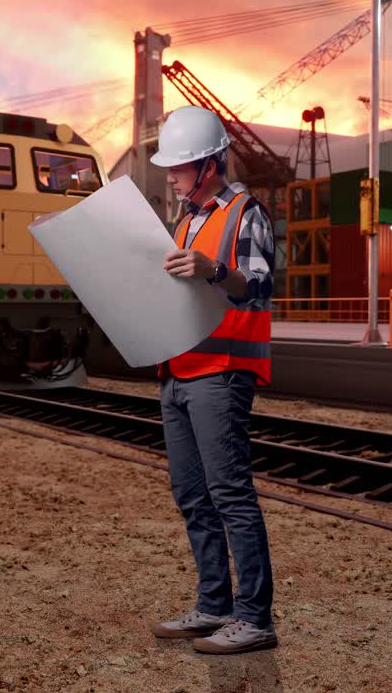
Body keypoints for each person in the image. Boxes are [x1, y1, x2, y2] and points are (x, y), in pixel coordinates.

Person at [146, 105, 278, 655]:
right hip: (178, 371)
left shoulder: (247, 212)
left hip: (222, 373)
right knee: (192, 496)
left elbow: (261, 285)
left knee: (230, 495)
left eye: (179, 167)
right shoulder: (186, 221)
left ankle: (254, 619)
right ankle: (214, 605)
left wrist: (212, 270)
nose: (170, 175)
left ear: (209, 165)